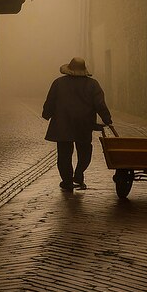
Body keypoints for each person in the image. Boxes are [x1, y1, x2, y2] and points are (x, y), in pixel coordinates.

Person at [42, 57, 113, 192]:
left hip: (62, 124)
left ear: (69, 69)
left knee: (64, 154)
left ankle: (67, 181)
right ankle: (79, 174)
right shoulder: (93, 85)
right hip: (84, 124)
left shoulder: (58, 83)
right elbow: (99, 104)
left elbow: (50, 101)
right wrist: (107, 119)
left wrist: (47, 114)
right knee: (85, 150)